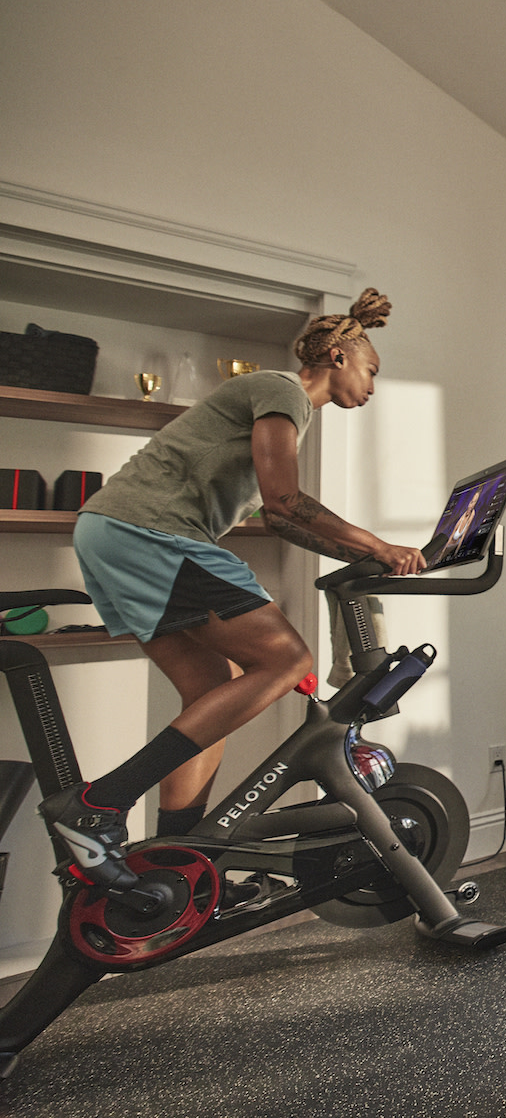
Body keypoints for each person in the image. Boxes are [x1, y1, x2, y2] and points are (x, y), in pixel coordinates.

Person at [39, 288, 426, 893]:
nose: (372, 387)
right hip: (149, 531)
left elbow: (279, 520)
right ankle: (99, 803)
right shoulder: (285, 390)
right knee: (288, 659)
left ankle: (177, 864)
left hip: (111, 531)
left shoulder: (281, 403)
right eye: (371, 371)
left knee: (208, 692)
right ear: (337, 358)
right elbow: (286, 499)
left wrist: (361, 556)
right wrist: (377, 546)